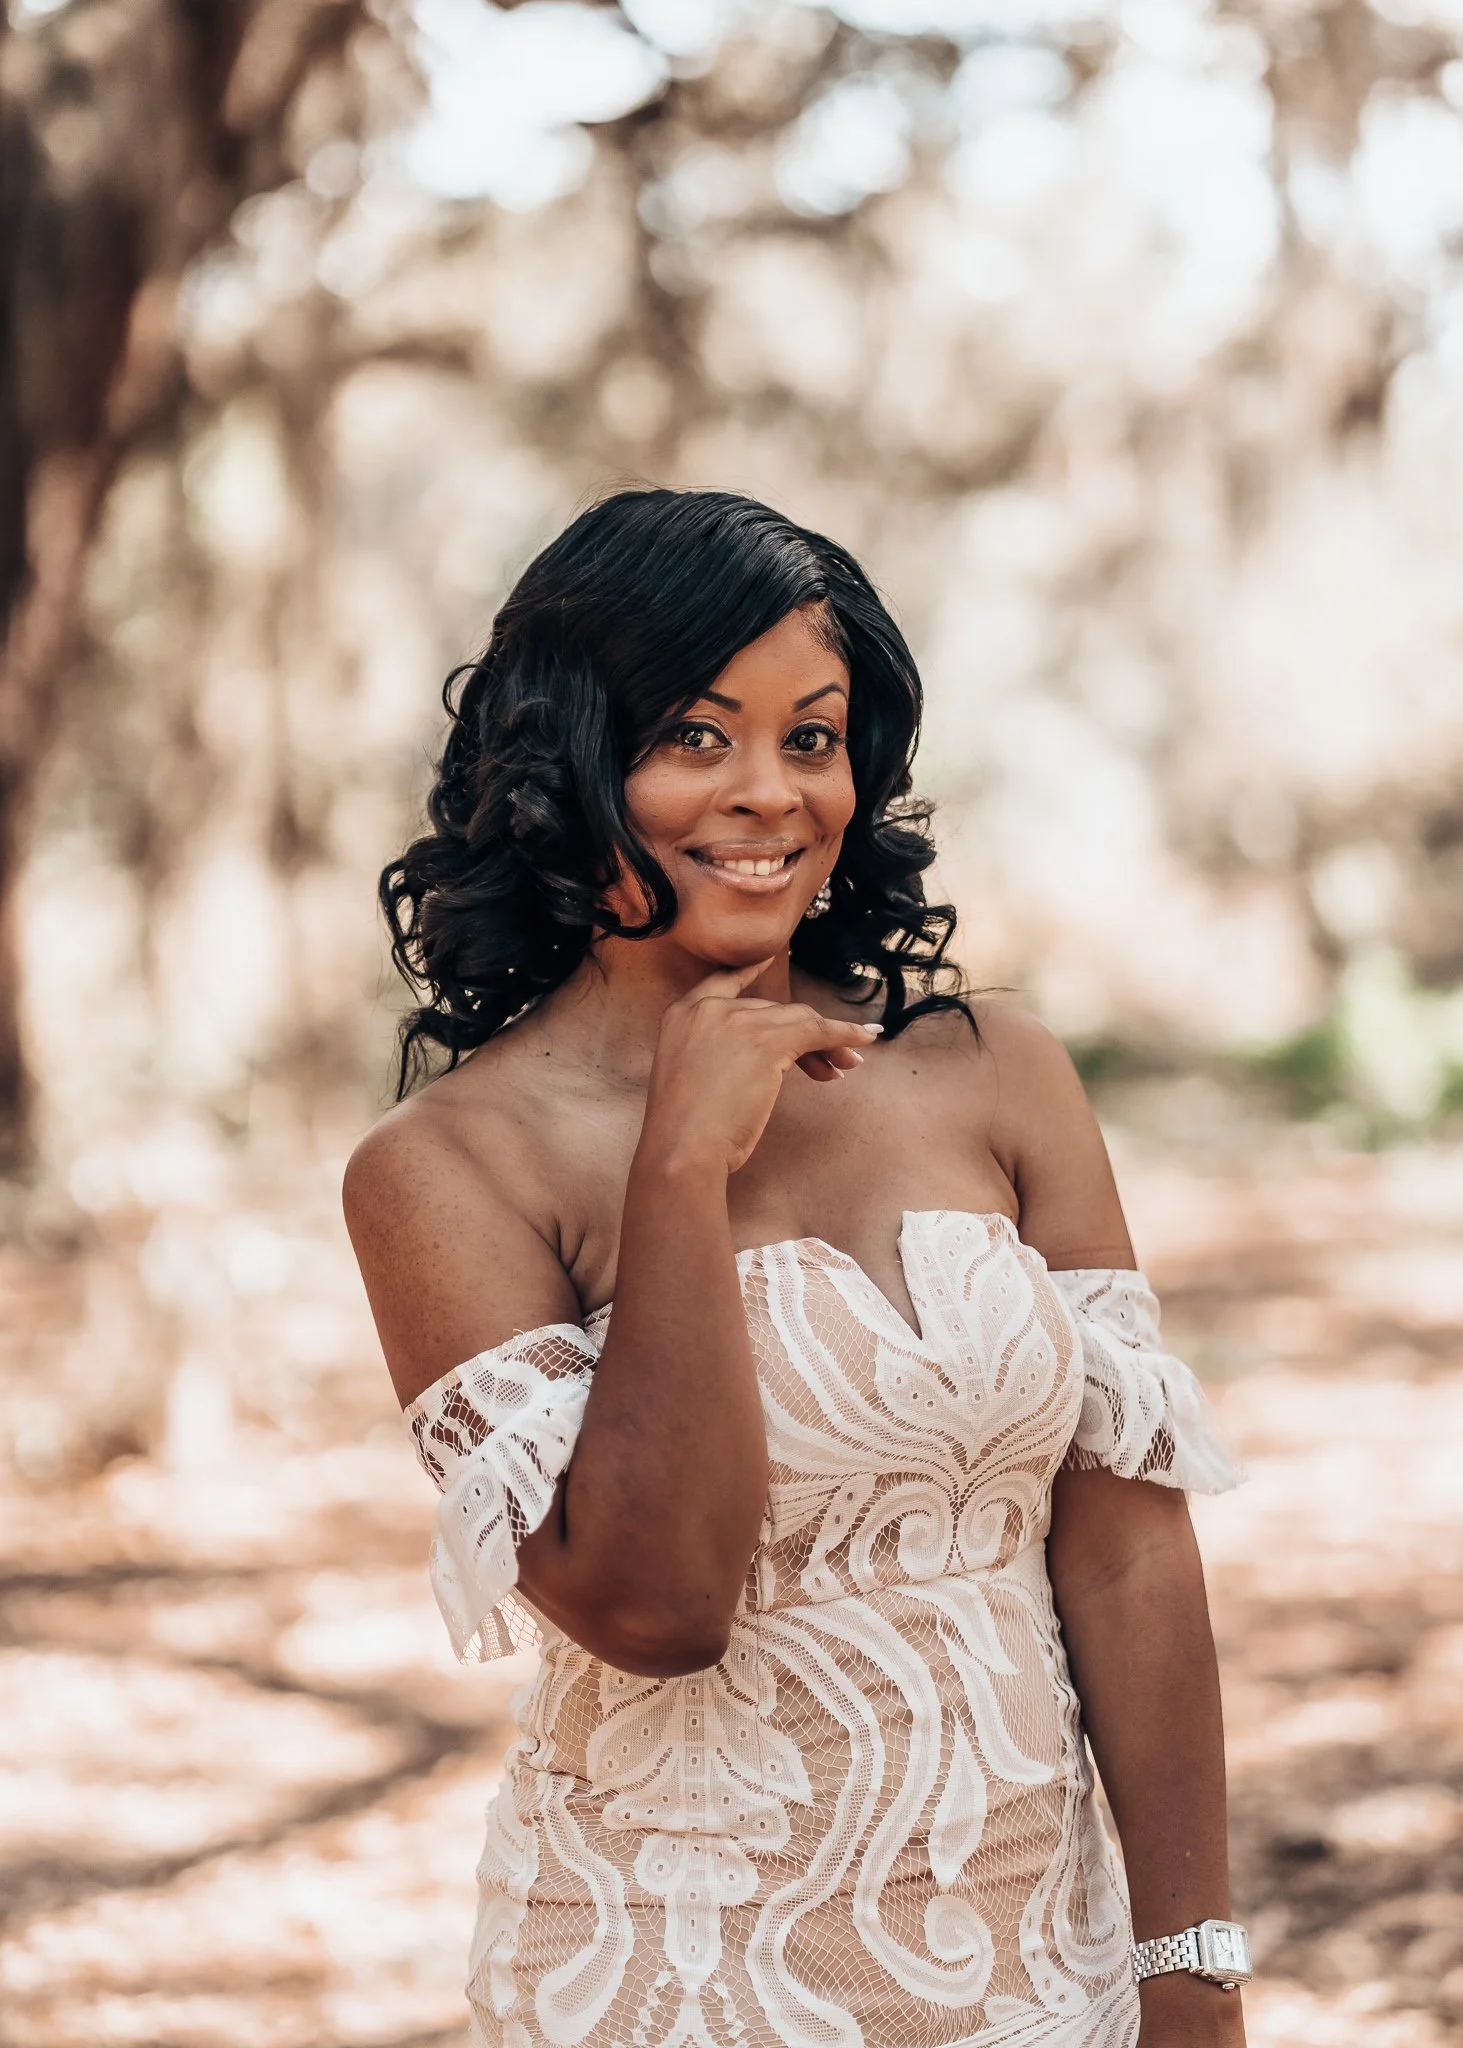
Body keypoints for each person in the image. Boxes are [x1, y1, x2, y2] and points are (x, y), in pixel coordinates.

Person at [344, 489, 1248, 2048]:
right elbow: (658, 1601)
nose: (767, 793)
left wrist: (1189, 1967)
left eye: (809, 737)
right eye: (695, 736)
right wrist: (678, 1166)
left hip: (1044, 1968)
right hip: (669, 1979)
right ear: (569, 761)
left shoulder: (994, 1071)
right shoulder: (446, 1168)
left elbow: (1122, 1553)